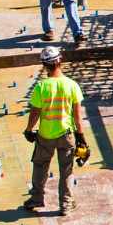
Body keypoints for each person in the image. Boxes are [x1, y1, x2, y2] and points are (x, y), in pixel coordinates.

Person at [21, 47, 87, 215]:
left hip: (45, 135)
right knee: (66, 169)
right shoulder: (72, 85)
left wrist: (29, 130)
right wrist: (81, 138)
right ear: (60, 61)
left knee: (40, 166)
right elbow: (78, 116)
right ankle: (65, 204)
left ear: (44, 65)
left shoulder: (41, 87)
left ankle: (36, 198)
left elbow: (35, 112)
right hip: (66, 135)